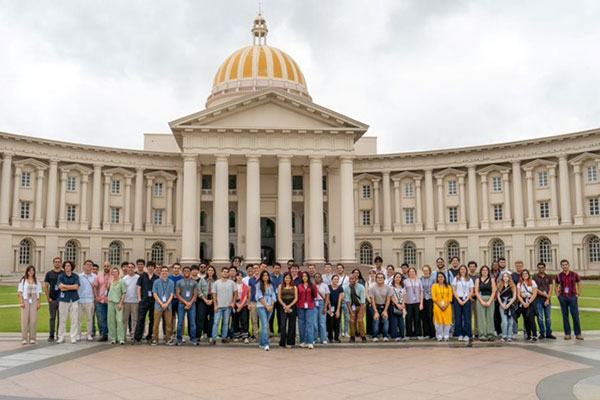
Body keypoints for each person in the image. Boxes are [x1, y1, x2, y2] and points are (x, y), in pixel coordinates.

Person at [555, 259, 583, 340]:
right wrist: (558, 295)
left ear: (568, 265)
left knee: (575, 315)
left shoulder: (574, 274)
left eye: (566, 264)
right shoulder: (559, 276)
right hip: (563, 297)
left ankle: (578, 334)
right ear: (561, 266)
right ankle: (567, 334)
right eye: (563, 265)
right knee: (565, 316)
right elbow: (556, 285)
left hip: (572, 297)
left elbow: (579, 284)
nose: (564, 266)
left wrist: (578, 294)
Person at [211, 267, 237, 345]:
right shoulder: (216, 283)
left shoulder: (232, 283)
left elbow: (235, 293)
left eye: (226, 272)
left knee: (226, 323)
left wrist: (233, 302)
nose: (225, 273)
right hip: (219, 306)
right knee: (216, 322)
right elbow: (214, 295)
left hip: (228, 306)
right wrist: (215, 305)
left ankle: (224, 338)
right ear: (221, 273)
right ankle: (213, 338)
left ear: (228, 273)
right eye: (224, 272)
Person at [134, 261, 158, 343]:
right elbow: (139, 287)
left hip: (153, 301)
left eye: (152, 266)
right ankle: (138, 337)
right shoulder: (142, 276)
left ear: (154, 268)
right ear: (147, 267)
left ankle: (149, 336)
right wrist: (139, 298)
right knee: (140, 319)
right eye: (149, 266)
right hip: (144, 300)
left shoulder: (156, 278)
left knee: (152, 320)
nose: (150, 268)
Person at [57, 261, 80, 344]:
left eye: (68, 266)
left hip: (74, 299)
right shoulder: (61, 276)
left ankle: (73, 337)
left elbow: (76, 287)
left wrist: (66, 286)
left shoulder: (75, 276)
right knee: (62, 319)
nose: (67, 267)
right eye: (65, 266)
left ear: (71, 267)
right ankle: (61, 337)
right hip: (63, 300)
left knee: (74, 319)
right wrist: (71, 287)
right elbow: (61, 288)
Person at [18, 265, 42, 345]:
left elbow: (39, 293)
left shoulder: (37, 281)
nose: (31, 272)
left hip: (34, 299)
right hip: (25, 299)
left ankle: (32, 338)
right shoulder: (23, 280)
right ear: (27, 271)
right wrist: (21, 302)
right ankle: (24, 338)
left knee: (33, 320)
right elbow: (20, 292)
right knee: (24, 320)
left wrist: (39, 303)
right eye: (29, 270)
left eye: (32, 270)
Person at [151, 266, 175, 345]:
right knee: (156, 323)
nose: (164, 273)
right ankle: (155, 339)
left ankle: (168, 339)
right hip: (158, 305)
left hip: (168, 306)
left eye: (166, 271)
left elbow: (172, 294)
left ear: (168, 272)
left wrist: (167, 303)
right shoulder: (156, 282)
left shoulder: (171, 282)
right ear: (160, 272)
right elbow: (154, 293)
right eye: (163, 271)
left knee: (168, 323)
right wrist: (161, 303)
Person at [176, 266, 199, 345]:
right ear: (183, 272)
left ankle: (193, 338)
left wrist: (190, 303)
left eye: (188, 271)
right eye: (185, 271)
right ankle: (179, 338)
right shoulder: (179, 282)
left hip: (192, 304)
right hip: (182, 304)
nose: (187, 272)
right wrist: (186, 303)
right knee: (180, 322)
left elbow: (195, 294)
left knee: (192, 322)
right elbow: (178, 294)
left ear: (190, 272)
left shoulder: (194, 282)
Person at [534, 262, 556, 340]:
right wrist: (546, 296)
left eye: (542, 267)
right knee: (540, 318)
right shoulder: (535, 278)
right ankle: (542, 333)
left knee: (548, 318)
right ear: (538, 268)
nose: (541, 269)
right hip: (538, 300)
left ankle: (549, 333)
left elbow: (550, 288)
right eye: (539, 267)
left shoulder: (549, 277)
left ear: (545, 268)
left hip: (547, 300)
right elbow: (536, 290)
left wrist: (547, 298)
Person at [452, 265, 474, 342]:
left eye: (464, 269)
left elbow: (471, 291)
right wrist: (458, 299)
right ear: (459, 270)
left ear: (466, 270)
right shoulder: (456, 279)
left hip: (467, 299)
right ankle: (460, 334)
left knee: (467, 318)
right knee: (458, 318)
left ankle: (467, 334)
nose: (463, 270)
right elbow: (454, 290)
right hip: (458, 299)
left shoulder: (469, 279)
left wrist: (465, 300)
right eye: (461, 269)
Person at [255, 270, 276, 351]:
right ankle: (266, 343)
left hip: (270, 306)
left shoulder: (271, 285)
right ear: (261, 277)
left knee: (265, 324)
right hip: (262, 307)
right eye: (264, 276)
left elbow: (273, 295)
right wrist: (266, 306)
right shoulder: (258, 285)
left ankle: (261, 343)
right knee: (264, 325)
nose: (265, 277)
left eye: (267, 275)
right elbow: (259, 297)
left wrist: (271, 305)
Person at [475, 265, 496, 341]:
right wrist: (482, 301)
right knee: (481, 318)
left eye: (486, 270)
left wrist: (490, 301)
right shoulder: (478, 280)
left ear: (488, 272)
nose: (485, 272)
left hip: (490, 298)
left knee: (490, 317)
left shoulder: (492, 280)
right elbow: (476, 292)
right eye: (483, 270)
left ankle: (490, 334)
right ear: (481, 271)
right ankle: (482, 334)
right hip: (481, 299)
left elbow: (494, 291)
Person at [77, 260, 97, 341]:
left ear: (92, 266)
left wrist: (95, 298)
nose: (89, 266)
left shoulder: (95, 277)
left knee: (90, 319)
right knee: (79, 319)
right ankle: (78, 334)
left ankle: (89, 334)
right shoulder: (79, 276)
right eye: (87, 264)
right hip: (80, 300)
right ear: (84, 266)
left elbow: (96, 288)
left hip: (90, 300)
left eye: (90, 265)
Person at [43, 256, 62, 342]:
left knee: (61, 318)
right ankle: (51, 335)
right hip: (52, 299)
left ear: (60, 263)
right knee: (52, 317)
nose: (57, 263)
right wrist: (48, 298)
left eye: (58, 262)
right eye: (56, 262)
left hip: (61, 299)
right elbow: (46, 286)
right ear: (53, 263)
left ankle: (59, 334)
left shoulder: (63, 273)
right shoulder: (49, 274)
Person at [369, 272, 392, 342]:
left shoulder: (388, 288)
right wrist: (375, 312)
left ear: (384, 279)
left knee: (385, 320)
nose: (380, 279)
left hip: (384, 306)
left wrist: (385, 311)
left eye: (381, 278)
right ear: (376, 279)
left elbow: (388, 300)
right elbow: (372, 300)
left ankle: (385, 336)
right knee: (376, 320)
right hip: (374, 306)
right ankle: (375, 336)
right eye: (378, 278)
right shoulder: (372, 288)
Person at [297, 271, 317, 349]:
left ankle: (310, 342)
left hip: (310, 306)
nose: (304, 277)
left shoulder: (313, 286)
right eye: (303, 276)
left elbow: (315, 295)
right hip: (301, 306)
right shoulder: (299, 286)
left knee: (310, 323)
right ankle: (302, 341)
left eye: (305, 276)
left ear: (308, 277)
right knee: (301, 324)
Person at [344, 274, 367, 343]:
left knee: (360, 320)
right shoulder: (346, 288)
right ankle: (352, 337)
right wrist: (351, 312)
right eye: (350, 279)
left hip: (361, 306)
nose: (351, 280)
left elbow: (363, 301)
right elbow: (347, 301)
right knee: (351, 321)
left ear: (356, 279)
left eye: (353, 279)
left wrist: (360, 312)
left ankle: (363, 336)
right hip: (352, 306)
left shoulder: (361, 287)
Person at [107, 267, 126, 345]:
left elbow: (124, 293)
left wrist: (121, 303)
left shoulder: (121, 282)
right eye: (113, 272)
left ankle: (121, 338)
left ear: (118, 273)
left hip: (118, 303)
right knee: (111, 321)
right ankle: (113, 338)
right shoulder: (111, 282)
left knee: (119, 320)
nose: (114, 273)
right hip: (111, 302)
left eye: (116, 272)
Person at [517, 269, 538, 342]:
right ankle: (529, 335)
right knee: (525, 319)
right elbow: (518, 294)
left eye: (526, 274)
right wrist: (523, 302)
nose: (525, 275)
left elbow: (534, 293)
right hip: (523, 302)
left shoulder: (532, 282)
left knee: (531, 319)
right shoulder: (520, 284)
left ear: (528, 275)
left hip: (530, 302)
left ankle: (534, 335)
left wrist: (528, 302)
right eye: (523, 274)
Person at [278, 272, 298, 347]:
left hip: (292, 304)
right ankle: (282, 342)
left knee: (291, 324)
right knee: (283, 324)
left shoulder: (294, 287)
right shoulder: (281, 286)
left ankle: (290, 342)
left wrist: (289, 306)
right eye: (286, 278)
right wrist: (284, 305)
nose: (287, 279)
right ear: (284, 279)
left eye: (289, 278)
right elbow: (279, 297)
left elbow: (296, 298)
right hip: (283, 304)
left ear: (291, 279)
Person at [94, 261, 112, 342]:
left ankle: (112, 334)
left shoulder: (113, 277)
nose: (106, 267)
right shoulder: (99, 277)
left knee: (111, 318)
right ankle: (104, 334)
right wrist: (96, 297)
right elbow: (95, 287)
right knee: (103, 318)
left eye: (108, 266)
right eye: (105, 266)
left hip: (111, 301)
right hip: (102, 301)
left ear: (110, 267)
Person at [432, 272, 453, 341]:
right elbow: (434, 297)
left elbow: (450, 297)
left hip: (447, 306)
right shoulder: (434, 286)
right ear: (437, 278)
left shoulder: (448, 286)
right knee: (438, 321)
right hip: (437, 305)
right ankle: (439, 336)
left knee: (447, 321)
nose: (440, 278)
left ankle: (446, 335)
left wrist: (446, 306)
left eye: (442, 277)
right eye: (439, 277)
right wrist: (440, 306)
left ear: (444, 278)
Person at [197, 265, 216, 341]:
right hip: (203, 299)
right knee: (200, 318)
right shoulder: (202, 280)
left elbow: (218, 292)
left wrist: (212, 300)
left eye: (212, 270)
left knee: (212, 319)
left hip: (213, 300)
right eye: (209, 270)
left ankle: (210, 335)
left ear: (214, 272)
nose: (210, 272)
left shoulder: (216, 281)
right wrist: (204, 299)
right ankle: (198, 335)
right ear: (207, 271)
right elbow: (199, 290)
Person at [121, 263, 139, 340]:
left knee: (135, 319)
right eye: (129, 267)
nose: (130, 269)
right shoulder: (124, 279)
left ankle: (135, 334)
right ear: (127, 269)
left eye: (132, 267)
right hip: (126, 301)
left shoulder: (138, 277)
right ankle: (123, 335)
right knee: (125, 319)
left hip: (135, 301)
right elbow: (122, 290)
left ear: (134, 268)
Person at [497, 271, 517, 342]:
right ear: (502, 278)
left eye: (507, 276)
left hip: (510, 305)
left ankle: (509, 336)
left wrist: (509, 304)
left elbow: (514, 296)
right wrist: (501, 304)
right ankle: (504, 335)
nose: (505, 278)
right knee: (504, 321)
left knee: (510, 321)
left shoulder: (513, 286)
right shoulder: (500, 285)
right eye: (504, 276)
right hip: (502, 305)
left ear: (509, 278)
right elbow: (498, 296)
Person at [404, 267, 423, 340]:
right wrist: (404, 303)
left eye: (413, 272)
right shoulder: (405, 281)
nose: (412, 273)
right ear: (408, 273)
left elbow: (421, 292)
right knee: (408, 318)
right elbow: (404, 292)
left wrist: (421, 303)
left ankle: (417, 333)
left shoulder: (419, 281)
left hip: (417, 302)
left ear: (415, 272)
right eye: (410, 272)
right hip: (408, 302)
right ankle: (409, 334)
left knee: (417, 318)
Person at [232, 271, 249, 343]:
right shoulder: (233, 285)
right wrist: (236, 304)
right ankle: (236, 335)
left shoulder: (245, 286)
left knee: (244, 320)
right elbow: (232, 295)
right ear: (236, 277)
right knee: (235, 320)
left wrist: (241, 305)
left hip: (244, 304)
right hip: (235, 303)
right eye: (238, 276)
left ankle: (245, 336)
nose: (239, 277)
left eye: (241, 276)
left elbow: (246, 296)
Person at [327, 274, 344, 343]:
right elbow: (327, 298)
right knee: (330, 323)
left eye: (337, 279)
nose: (336, 280)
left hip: (337, 306)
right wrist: (330, 308)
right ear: (332, 280)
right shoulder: (328, 287)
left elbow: (340, 299)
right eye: (334, 279)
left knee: (337, 323)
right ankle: (330, 337)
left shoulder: (340, 288)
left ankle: (336, 337)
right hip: (330, 306)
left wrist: (338, 310)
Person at [389, 273, 406, 342]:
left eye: (399, 277)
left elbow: (405, 295)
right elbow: (391, 296)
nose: (398, 279)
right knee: (394, 322)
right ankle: (395, 336)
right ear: (394, 278)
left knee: (401, 322)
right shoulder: (391, 287)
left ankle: (402, 335)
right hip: (394, 305)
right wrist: (397, 304)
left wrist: (403, 304)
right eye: (396, 277)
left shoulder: (402, 286)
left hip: (401, 305)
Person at [420, 265, 435, 339]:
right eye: (424, 270)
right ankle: (426, 333)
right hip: (423, 299)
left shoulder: (433, 279)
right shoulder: (421, 279)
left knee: (430, 316)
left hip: (430, 298)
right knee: (424, 317)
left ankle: (432, 333)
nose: (425, 272)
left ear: (429, 271)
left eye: (427, 270)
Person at [314, 273, 329, 344]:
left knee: (322, 322)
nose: (317, 278)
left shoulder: (325, 285)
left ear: (321, 278)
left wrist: (325, 307)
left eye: (318, 277)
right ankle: (315, 338)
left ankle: (323, 339)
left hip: (322, 303)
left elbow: (327, 297)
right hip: (314, 303)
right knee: (314, 322)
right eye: (316, 277)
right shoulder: (312, 286)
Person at [168, 263, 183, 336]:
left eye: (178, 268)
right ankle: (171, 333)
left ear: (180, 269)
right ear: (172, 269)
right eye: (175, 268)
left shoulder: (182, 278)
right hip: (171, 300)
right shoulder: (169, 278)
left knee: (180, 318)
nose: (176, 269)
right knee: (171, 318)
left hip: (180, 301)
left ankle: (180, 334)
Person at [269, 263, 283, 337]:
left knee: (280, 315)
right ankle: (271, 330)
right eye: (275, 268)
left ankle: (280, 330)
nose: (277, 269)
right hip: (272, 298)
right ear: (273, 268)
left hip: (280, 298)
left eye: (278, 268)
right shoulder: (270, 277)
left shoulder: (282, 277)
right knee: (271, 315)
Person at [336, 264, 350, 338]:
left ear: (343, 269)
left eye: (341, 268)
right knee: (339, 316)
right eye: (338, 268)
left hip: (346, 299)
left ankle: (346, 331)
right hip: (338, 299)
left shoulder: (347, 278)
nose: (339, 269)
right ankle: (340, 331)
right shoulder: (335, 278)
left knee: (347, 316)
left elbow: (349, 288)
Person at [247, 265, 261, 340]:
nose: (256, 269)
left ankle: (265, 335)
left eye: (257, 268)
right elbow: (249, 291)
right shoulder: (251, 280)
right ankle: (256, 335)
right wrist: (249, 303)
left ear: (259, 269)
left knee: (263, 320)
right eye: (254, 268)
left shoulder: (263, 279)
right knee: (254, 320)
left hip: (262, 302)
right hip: (253, 302)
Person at [467, 261, 480, 338]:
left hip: (477, 298)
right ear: (469, 268)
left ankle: (477, 331)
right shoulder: (466, 276)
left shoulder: (478, 276)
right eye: (470, 266)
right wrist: (470, 296)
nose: (472, 268)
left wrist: (476, 295)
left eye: (473, 266)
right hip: (469, 298)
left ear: (475, 267)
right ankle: (469, 331)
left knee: (477, 316)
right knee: (469, 316)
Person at [365, 269, 377, 336]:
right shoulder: (367, 282)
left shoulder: (377, 282)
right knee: (369, 317)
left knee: (375, 317)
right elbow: (366, 293)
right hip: (369, 301)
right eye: (370, 273)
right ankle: (369, 332)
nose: (372, 275)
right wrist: (370, 301)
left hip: (377, 301)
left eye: (373, 273)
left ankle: (376, 332)